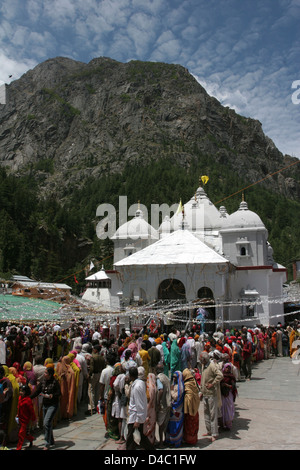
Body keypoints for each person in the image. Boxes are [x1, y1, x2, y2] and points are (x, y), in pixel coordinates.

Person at [126, 366, 155, 450]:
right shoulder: (140, 383)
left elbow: (139, 404)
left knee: (130, 440)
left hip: (135, 417)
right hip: (136, 416)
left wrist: (137, 420)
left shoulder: (137, 386)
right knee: (141, 439)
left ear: (131, 375)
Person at [31, 367, 61, 450]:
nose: (44, 374)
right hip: (45, 405)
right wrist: (29, 398)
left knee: (46, 422)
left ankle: (47, 443)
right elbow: (37, 392)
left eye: (46, 373)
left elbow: (59, 393)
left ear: (50, 375)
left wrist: (52, 395)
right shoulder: (43, 382)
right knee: (48, 424)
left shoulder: (55, 382)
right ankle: (51, 440)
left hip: (53, 405)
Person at [199, 351, 223, 442]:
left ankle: (214, 433)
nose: (200, 361)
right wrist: (201, 392)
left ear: (204, 360)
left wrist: (212, 384)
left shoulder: (212, 366)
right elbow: (203, 379)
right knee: (206, 413)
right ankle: (209, 431)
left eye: (201, 360)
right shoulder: (203, 366)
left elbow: (220, 375)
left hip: (211, 393)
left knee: (213, 414)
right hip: (205, 393)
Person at [165, 371, 185, 448]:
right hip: (172, 408)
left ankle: (176, 441)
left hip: (178, 408)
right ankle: (170, 440)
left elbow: (177, 397)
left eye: (175, 377)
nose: (174, 378)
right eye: (173, 377)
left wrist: (171, 391)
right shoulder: (174, 385)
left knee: (176, 425)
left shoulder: (180, 387)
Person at [182, 368, 200, 445]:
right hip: (195, 409)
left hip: (189, 410)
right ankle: (192, 439)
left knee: (190, 425)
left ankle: (190, 440)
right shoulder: (193, 383)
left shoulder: (187, 384)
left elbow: (189, 398)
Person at [55, 355, 76, 420]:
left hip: (65, 387)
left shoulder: (65, 367)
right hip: (64, 388)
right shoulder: (63, 366)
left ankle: (64, 414)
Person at [16, 384, 36, 450]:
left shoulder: (28, 400)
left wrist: (33, 419)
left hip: (25, 420)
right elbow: (19, 407)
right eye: (20, 391)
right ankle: (31, 439)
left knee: (21, 434)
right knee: (25, 434)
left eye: (22, 391)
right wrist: (17, 415)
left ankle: (18, 448)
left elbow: (31, 411)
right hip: (20, 419)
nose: (20, 392)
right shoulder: (20, 398)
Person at [155, 364, 171, 448]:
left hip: (162, 404)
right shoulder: (166, 377)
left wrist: (157, 402)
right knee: (165, 423)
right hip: (168, 402)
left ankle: (161, 442)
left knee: (161, 424)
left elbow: (160, 390)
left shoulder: (159, 378)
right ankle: (165, 440)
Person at [220, 362, 237, 430]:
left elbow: (233, 387)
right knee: (222, 409)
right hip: (222, 395)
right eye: (226, 367)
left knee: (228, 409)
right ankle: (222, 424)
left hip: (228, 395)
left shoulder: (231, 377)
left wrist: (226, 385)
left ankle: (228, 424)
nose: (227, 369)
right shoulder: (221, 376)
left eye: (229, 368)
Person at [144, 372, 157, 445]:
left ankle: (148, 442)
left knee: (148, 424)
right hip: (153, 408)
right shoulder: (154, 386)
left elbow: (150, 399)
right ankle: (151, 441)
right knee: (151, 424)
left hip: (149, 408)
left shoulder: (149, 387)